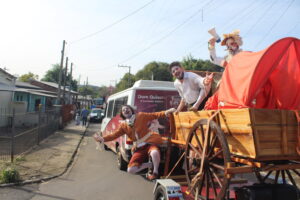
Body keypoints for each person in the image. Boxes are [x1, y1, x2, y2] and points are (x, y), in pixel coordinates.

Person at [93, 105, 175, 181]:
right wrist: (102, 139)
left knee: (154, 153)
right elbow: (114, 135)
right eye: (123, 110)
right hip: (139, 147)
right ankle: (150, 165)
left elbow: (155, 115)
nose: (126, 110)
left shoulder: (141, 115)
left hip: (150, 142)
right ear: (122, 114)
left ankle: (155, 172)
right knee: (130, 170)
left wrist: (166, 112)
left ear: (131, 110)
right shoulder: (123, 125)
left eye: (127, 108)